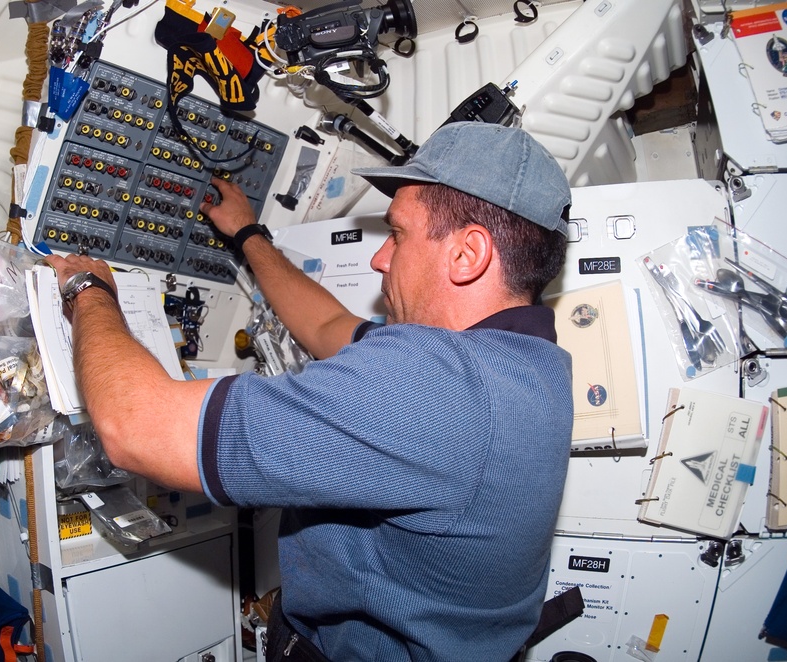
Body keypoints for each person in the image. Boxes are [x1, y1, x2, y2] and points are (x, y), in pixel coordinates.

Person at [45, 122, 573, 662]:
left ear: (468, 254)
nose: (379, 259)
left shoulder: (433, 388)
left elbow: (136, 429)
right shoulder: (532, 368)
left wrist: (90, 291)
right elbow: (327, 327)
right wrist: (249, 235)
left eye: (398, 234)